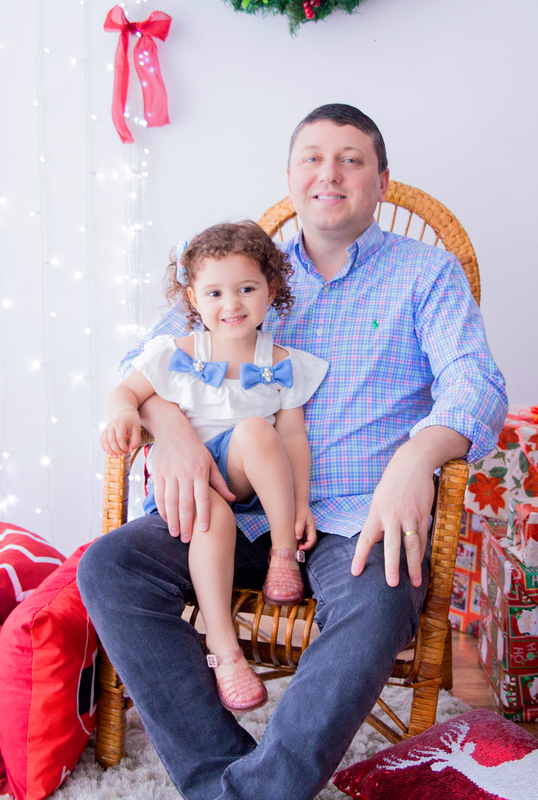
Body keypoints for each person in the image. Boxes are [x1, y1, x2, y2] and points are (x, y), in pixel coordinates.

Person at [78, 103, 507, 800]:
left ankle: (252, 793)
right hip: (228, 508)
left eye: (350, 159)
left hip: (355, 518)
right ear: (290, 176)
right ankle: (222, 776)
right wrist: (170, 428)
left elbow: (476, 385)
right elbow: (146, 362)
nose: (328, 174)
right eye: (312, 158)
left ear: (382, 181)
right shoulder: (244, 269)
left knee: (381, 595)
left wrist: (417, 458)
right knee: (110, 566)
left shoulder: (426, 274)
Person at [100, 221, 328, 712]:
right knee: (211, 513)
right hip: (189, 485)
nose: (232, 304)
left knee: (257, 429)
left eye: (247, 289)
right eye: (215, 292)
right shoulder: (178, 353)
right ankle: (226, 653)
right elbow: (125, 391)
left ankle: (283, 555)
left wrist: (300, 503)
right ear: (193, 298)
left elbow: (293, 438)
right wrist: (124, 414)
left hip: (247, 475)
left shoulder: (282, 361)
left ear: (272, 290)